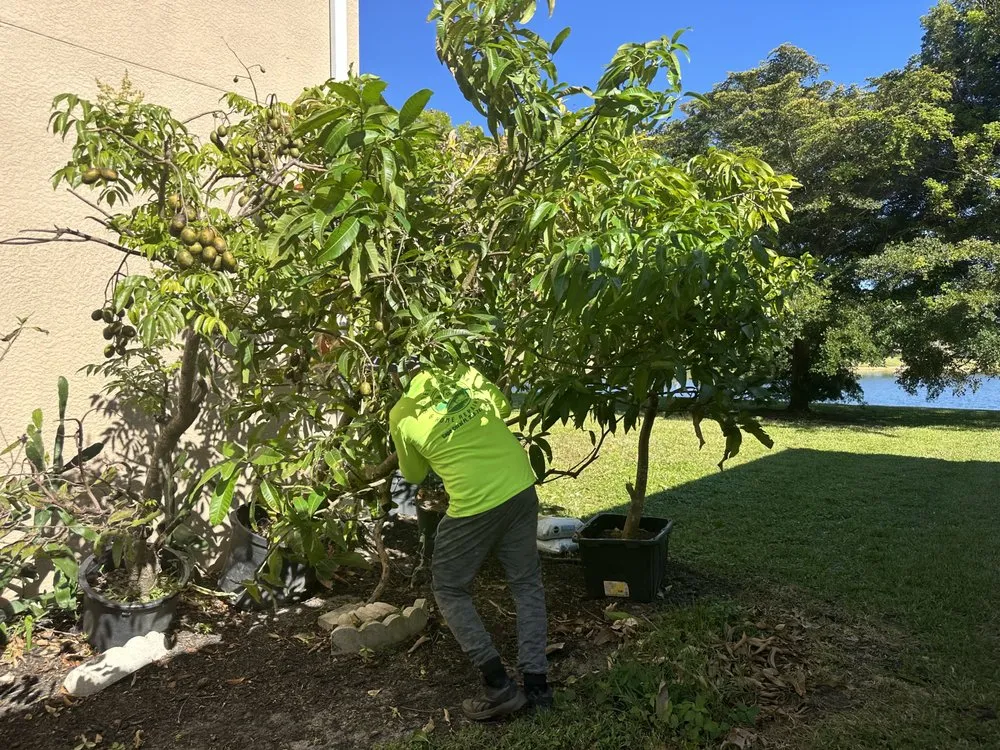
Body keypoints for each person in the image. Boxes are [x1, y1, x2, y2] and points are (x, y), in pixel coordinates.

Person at [389, 360, 551, 720]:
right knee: (526, 583)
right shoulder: (462, 374)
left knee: (448, 587)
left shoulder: (402, 412)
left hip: (476, 503)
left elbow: (413, 473)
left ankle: (498, 685)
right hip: (520, 485)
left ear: (396, 377)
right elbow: (503, 407)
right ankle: (538, 687)